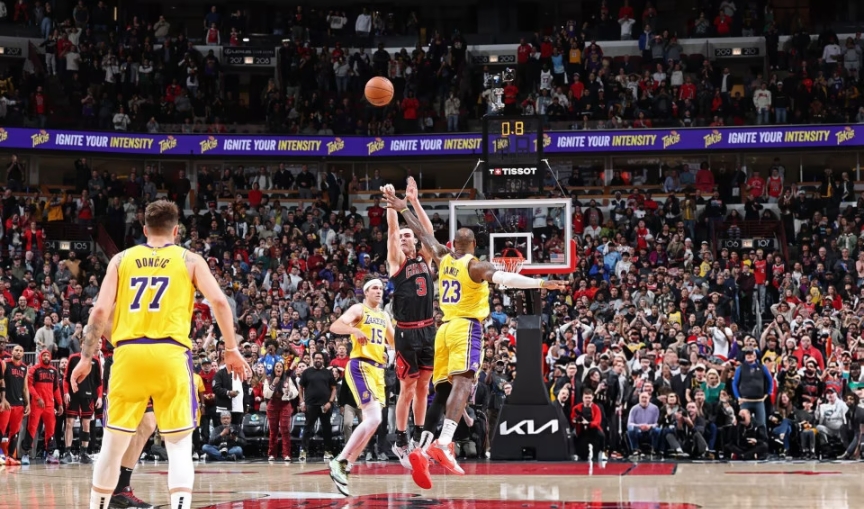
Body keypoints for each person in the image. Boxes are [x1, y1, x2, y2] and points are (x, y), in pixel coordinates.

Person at [381, 183, 566, 488]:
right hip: (466, 327)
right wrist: (541, 283)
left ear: (454, 243)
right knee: (465, 383)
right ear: (475, 245)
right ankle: (444, 443)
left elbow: (424, 234)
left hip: (442, 329)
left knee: (442, 390)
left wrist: (404, 207)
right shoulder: (477, 266)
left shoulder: (442, 256)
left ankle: (422, 448)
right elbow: (505, 277)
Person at [70, 200, 249, 509]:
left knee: (112, 446)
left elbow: (98, 311)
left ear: (144, 230)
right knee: (178, 445)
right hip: (171, 354)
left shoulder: (121, 259)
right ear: (176, 231)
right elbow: (220, 302)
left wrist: (87, 358)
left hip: (128, 354)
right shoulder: (190, 259)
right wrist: (231, 349)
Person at [327, 277, 395, 497]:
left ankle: (346, 466)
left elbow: (393, 341)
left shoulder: (384, 316)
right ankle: (340, 461)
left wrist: (391, 353)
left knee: (374, 422)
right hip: (360, 365)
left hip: (378, 371)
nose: (379, 291)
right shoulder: (359, 309)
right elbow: (335, 326)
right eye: (374, 288)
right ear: (366, 292)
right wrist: (354, 331)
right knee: (374, 418)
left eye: (381, 288)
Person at [386, 177, 436, 472]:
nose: (404, 238)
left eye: (408, 235)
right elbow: (392, 232)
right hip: (406, 331)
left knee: (424, 386)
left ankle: (418, 437)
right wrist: (393, 205)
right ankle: (401, 439)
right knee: (407, 388)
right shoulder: (397, 263)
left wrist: (414, 202)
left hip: (428, 328)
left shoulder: (426, 259)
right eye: (402, 236)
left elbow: (428, 233)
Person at [62, 348, 103, 464]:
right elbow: (66, 378)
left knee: (86, 424)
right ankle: (67, 452)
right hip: (73, 394)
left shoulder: (96, 360)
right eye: (85, 342)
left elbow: (99, 382)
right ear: (81, 344)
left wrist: (100, 397)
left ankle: (83, 453)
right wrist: (66, 392)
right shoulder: (73, 358)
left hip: (88, 395)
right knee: (69, 423)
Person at [22, 349, 62, 465]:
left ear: (50, 357)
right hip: (36, 404)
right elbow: (29, 386)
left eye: (47, 355)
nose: (46, 357)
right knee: (31, 428)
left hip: (49, 405)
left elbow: (56, 389)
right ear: (40, 357)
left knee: (50, 429)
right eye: (44, 355)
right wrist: (37, 398)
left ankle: (49, 454)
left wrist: (60, 404)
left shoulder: (54, 371)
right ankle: (26, 454)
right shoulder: (34, 369)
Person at [0, 344, 30, 465]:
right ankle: (1, 455)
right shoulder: (5, 363)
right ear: (12, 352)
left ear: (23, 354)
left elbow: (25, 388)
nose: (18, 352)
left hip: (19, 404)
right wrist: (2, 399)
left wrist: (28, 404)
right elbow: (1, 382)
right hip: (6, 403)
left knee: (15, 432)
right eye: (16, 350)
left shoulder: (24, 368)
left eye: (21, 351)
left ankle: (11, 456)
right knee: (1, 429)